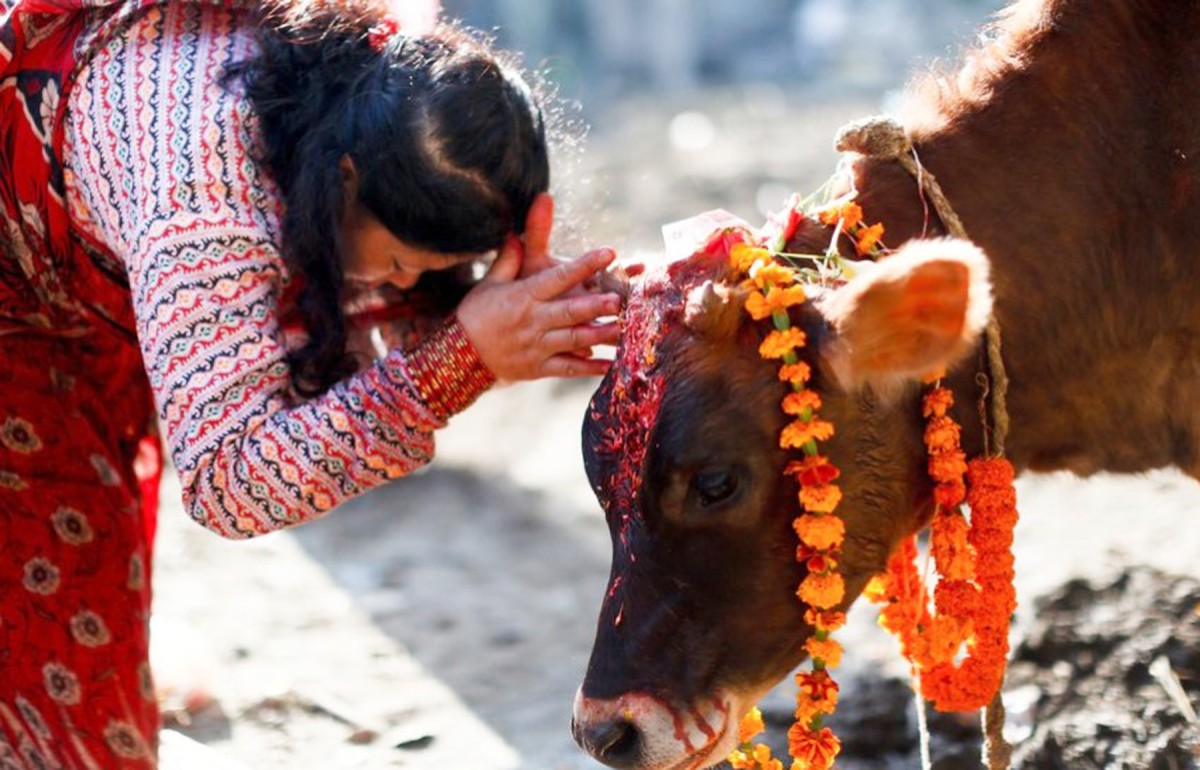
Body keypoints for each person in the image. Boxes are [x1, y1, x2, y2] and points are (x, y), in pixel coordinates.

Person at [0, 0, 620, 766]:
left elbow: (376, 309)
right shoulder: (205, 198)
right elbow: (230, 480)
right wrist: (461, 362)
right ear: (346, 176)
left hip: (79, 286)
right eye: (399, 264)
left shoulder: (366, 78)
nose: (400, 285)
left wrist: (532, 309)